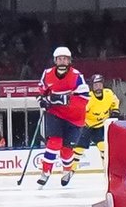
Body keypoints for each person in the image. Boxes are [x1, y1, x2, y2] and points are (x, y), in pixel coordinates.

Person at [35, 45, 90, 187]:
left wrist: (64, 100)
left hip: (75, 118)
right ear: (55, 60)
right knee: (54, 142)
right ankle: (45, 171)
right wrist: (42, 100)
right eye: (60, 59)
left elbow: (84, 98)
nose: (62, 61)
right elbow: (41, 91)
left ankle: (67, 170)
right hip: (55, 114)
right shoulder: (47, 73)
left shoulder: (77, 76)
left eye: (65, 59)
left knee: (66, 149)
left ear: (69, 60)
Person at [83, 74, 120, 160]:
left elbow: (115, 101)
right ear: (92, 86)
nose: (98, 87)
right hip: (87, 126)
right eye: (96, 85)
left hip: (101, 125)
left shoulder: (108, 93)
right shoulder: (89, 98)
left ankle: (105, 166)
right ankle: (71, 167)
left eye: (100, 84)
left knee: (103, 148)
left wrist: (115, 110)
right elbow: (82, 111)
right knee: (78, 149)